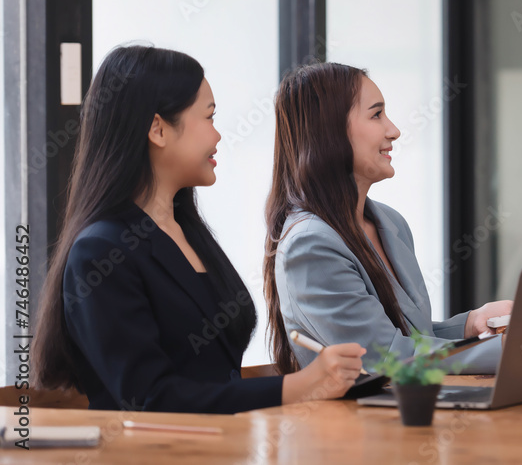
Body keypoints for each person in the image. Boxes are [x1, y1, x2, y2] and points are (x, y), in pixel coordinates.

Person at [32, 45, 365, 413]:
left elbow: (217, 381)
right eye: (209, 117)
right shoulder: (99, 252)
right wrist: (299, 385)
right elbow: (152, 399)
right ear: (158, 129)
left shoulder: (188, 232)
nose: (218, 136)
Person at [263, 62, 510, 375]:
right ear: (329, 131)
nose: (394, 130)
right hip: (361, 408)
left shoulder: (390, 223)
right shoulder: (310, 244)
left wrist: (470, 324)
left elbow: (408, 339)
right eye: (376, 114)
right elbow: (386, 358)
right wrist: (507, 351)